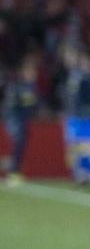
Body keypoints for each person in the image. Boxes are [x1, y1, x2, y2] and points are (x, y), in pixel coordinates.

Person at [58, 43, 90, 188]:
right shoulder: (68, 77)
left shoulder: (88, 79)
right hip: (75, 117)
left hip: (88, 117)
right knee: (76, 146)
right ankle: (81, 173)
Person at [3, 54, 40, 185]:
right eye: (30, 71)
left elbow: (35, 105)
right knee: (18, 144)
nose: (32, 74)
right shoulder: (17, 86)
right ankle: (12, 173)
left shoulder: (32, 87)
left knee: (21, 146)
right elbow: (11, 105)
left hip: (24, 122)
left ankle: (14, 170)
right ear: (24, 72)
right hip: (14, 120)